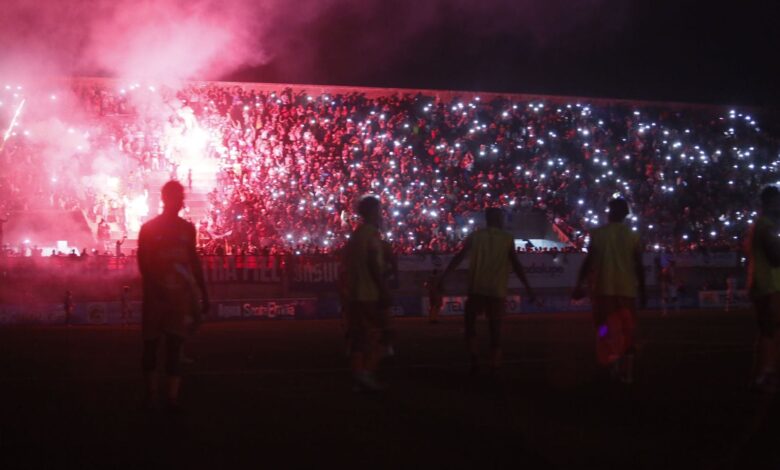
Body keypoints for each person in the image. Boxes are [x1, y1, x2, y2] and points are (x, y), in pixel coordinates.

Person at [137, 180, 209, 411]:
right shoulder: (149, 228)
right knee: (151, 347)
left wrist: (203, 292)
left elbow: (194, 261)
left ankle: (170, 398)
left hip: (176, 299)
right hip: (158, 298)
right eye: (178, 196)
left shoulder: (187, 229)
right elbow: (143, 262)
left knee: (174, 348)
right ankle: (151, 395)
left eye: (182, 196)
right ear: (166, 199)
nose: (181, 201)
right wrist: (156, 288)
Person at [439, 207, 536, 373]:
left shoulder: (476, 236)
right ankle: (494, 364)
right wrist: (528, 287)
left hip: (477, 287)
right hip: (496, 290)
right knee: (495, 329)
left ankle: (474, 359)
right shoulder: (507, 238)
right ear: (498, 220)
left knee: (470, 325)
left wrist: (444, 277)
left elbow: (459, 257)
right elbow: (517, 265)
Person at [572, 197, 646, 384]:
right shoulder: (632, 236)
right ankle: (626, 371)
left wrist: (579, 284)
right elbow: (639, 265)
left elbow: (588, 261)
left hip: (602, 290)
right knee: (628, 331)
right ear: (626, 215)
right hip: (626, 291)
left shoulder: (598, 234)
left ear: (610, 212)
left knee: (603, 328)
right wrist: (644, 290)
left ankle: (609, 358)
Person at [341, 195, 390, 392]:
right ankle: (366, 374)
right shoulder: (372, 235)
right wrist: (383, 289)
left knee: (358, 338)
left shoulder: (355, 236)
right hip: (369, 294)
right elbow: (372, 264)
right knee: (384, 335)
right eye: (379, 210)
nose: (381, 214)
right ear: (372, 212)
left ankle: (358, 378)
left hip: (354, 294)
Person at [745, 186, 780, 392]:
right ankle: (765, 373)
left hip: (763, 283)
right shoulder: (766, 226)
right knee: (769, 329)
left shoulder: (760, 225)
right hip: (768, 284)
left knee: (768, 329)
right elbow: (775, 257)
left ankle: (764, 371)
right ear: (768, 203)